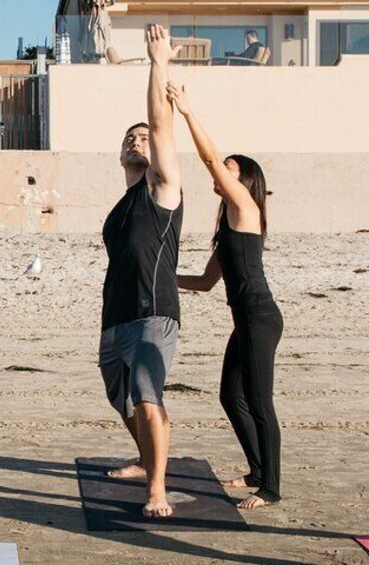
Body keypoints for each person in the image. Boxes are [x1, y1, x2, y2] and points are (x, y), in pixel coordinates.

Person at [168, 80, 283, 510]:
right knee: (229, 395)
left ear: (244, 179)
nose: (222, 171)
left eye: (230, 168)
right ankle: (256, 469)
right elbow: (203, 282)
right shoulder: (228, 229)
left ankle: (270, 487)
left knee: (259, 401)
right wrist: (159, 276)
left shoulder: (245, 208)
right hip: (247, 320)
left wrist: (186, 112)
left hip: (260, 317)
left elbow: (209, 157)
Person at [99, 24, 184, 519]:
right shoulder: (120, 206)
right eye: (130, 138)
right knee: (122, 401)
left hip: (153, 314)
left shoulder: (162, 190)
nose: (138, 140)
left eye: (144, 138)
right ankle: (145, 458)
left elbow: (161, 122)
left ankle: (157, 489)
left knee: (148, 398)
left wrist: (158, 64)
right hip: (115, 318)